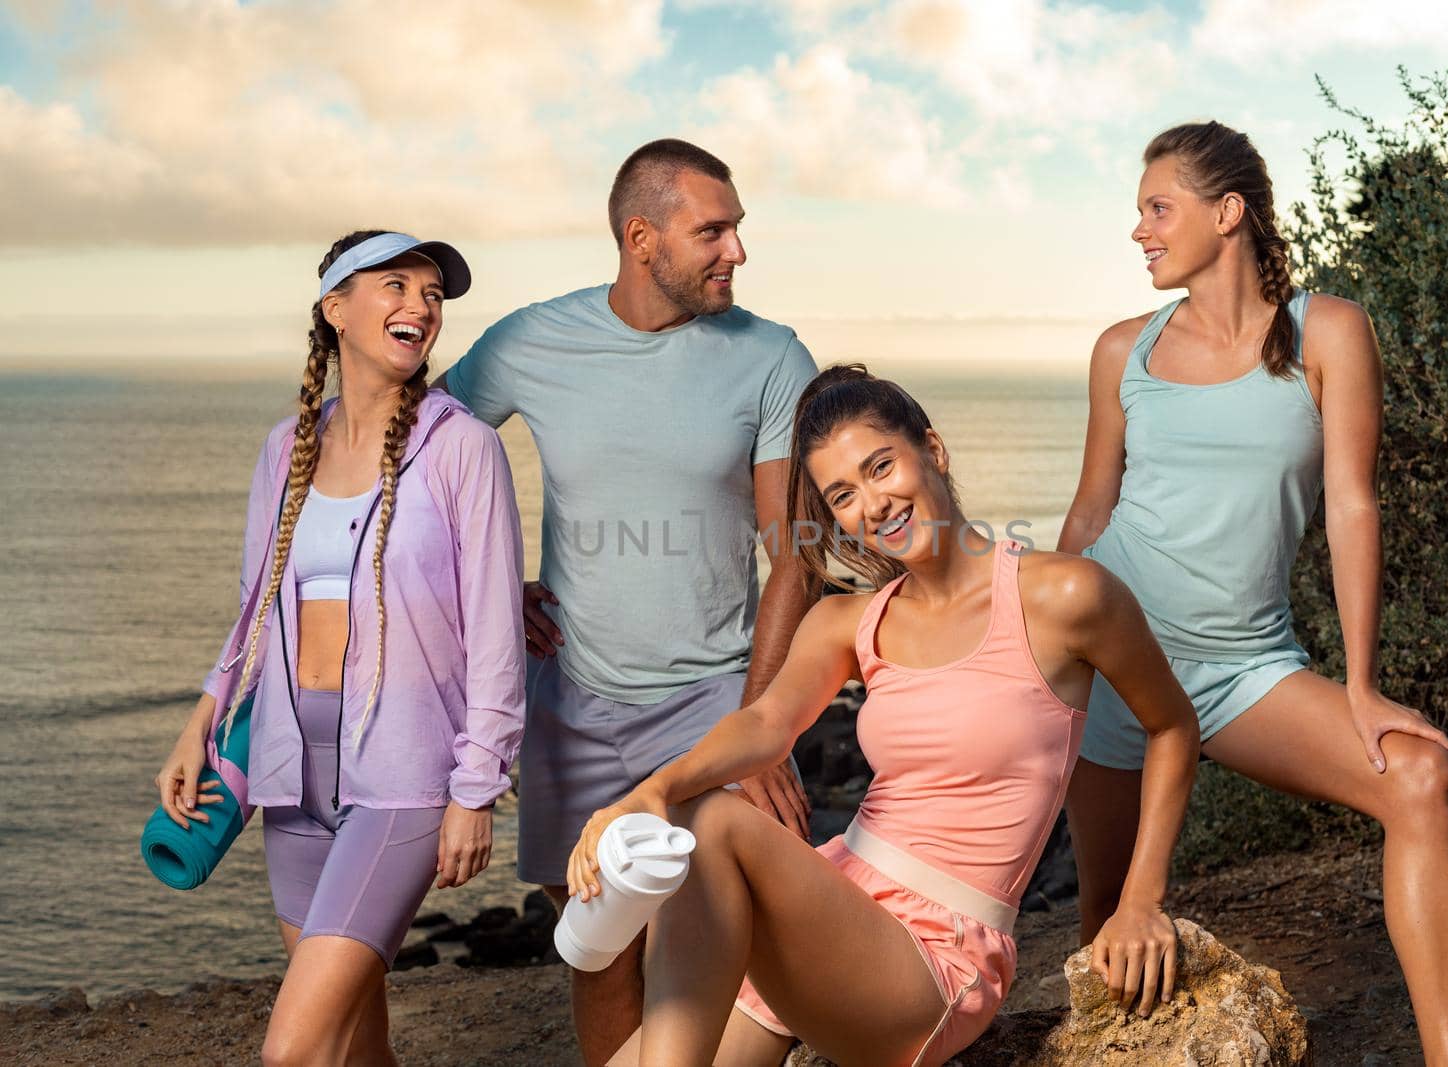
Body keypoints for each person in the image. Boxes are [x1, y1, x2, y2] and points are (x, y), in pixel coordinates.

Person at [567, 364, 1200, 1067]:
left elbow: (1172, 725)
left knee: (707, 817)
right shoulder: (849, 620)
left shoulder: (1063, 594)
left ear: (932, 449)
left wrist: (1139, 899)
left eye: (881, 466)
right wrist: (647, 791)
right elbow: (766, 724)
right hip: (834, 908)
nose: (873, 503)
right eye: (844, 493)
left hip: (938, 953)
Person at [1057, 121, 1448, 1065]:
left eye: (1157, 209)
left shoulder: (1326, 332)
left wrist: (1361, 685)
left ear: (1227, 212)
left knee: (1418, 778)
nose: (1141, 232)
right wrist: (1038, 657)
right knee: (1106, 918)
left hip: (1246, 669)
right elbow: (1089, 514)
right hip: (1119, 666)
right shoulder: (1124, 349)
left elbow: (1352, 503)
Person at [434, 138, 819, 1063]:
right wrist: (484, 590)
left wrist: (763, 719)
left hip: (713, 698)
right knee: (601, 949)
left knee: (726, 945)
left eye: (737, 229)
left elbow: (794, 554)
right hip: (572, 701)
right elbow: (422, 461)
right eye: (712, 231)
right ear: (641, 238)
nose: (736, 251)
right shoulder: (531, 342)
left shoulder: (771, 356)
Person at [154, 230, 526, 1066]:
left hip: (402, 779)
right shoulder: (284, 452)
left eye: (432, 294)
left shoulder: (463, 448)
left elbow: (498, 636)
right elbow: (255, 612)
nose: (420, 307)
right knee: (356, 1046)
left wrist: (477, 787)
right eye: (395, 285)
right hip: (291, 776)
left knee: (294, 1050)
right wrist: (201, 723)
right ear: (336, 310)